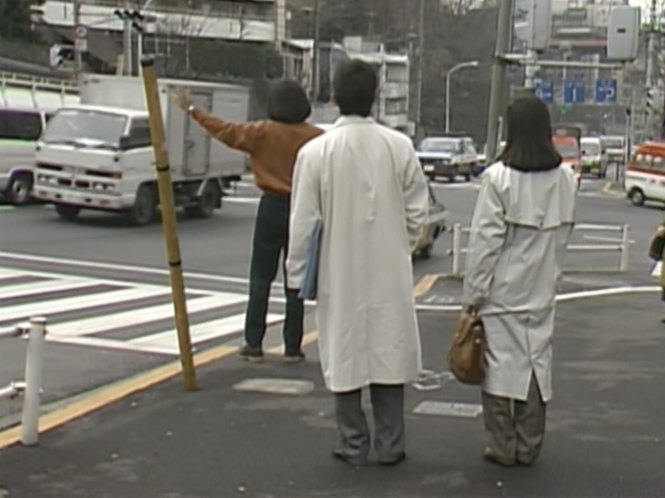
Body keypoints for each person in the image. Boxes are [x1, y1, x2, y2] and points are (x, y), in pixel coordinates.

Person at [286, 59, 429, 466]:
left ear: (333, 98)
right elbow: (419, 213)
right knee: (388, 349)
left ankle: (352, 441)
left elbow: (303, 221)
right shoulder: (398, 146)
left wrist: (297, 276)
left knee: (344, 351)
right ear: (375, 97)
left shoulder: (315, 152)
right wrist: (405, 243)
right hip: (389, 268)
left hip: (338, 269)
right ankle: (390, 443)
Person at [462, 96, 577, 467]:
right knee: (535, 366)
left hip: (502, 292)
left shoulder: (498, 179)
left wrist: (473, 296)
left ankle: (502, 446)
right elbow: (563, 235)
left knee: (496, 370)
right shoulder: (566, 179)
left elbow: (484, 243)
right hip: (542, 289)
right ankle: (529, 446)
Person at [173, 80, 322, 363]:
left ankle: (253, 342)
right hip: (303, 207)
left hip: (270, 206)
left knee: (260, 277)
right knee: (296, 278)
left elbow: (227, 132)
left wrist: (194, 111)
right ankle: (292, 346)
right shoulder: (315, 137)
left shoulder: (262, 132)